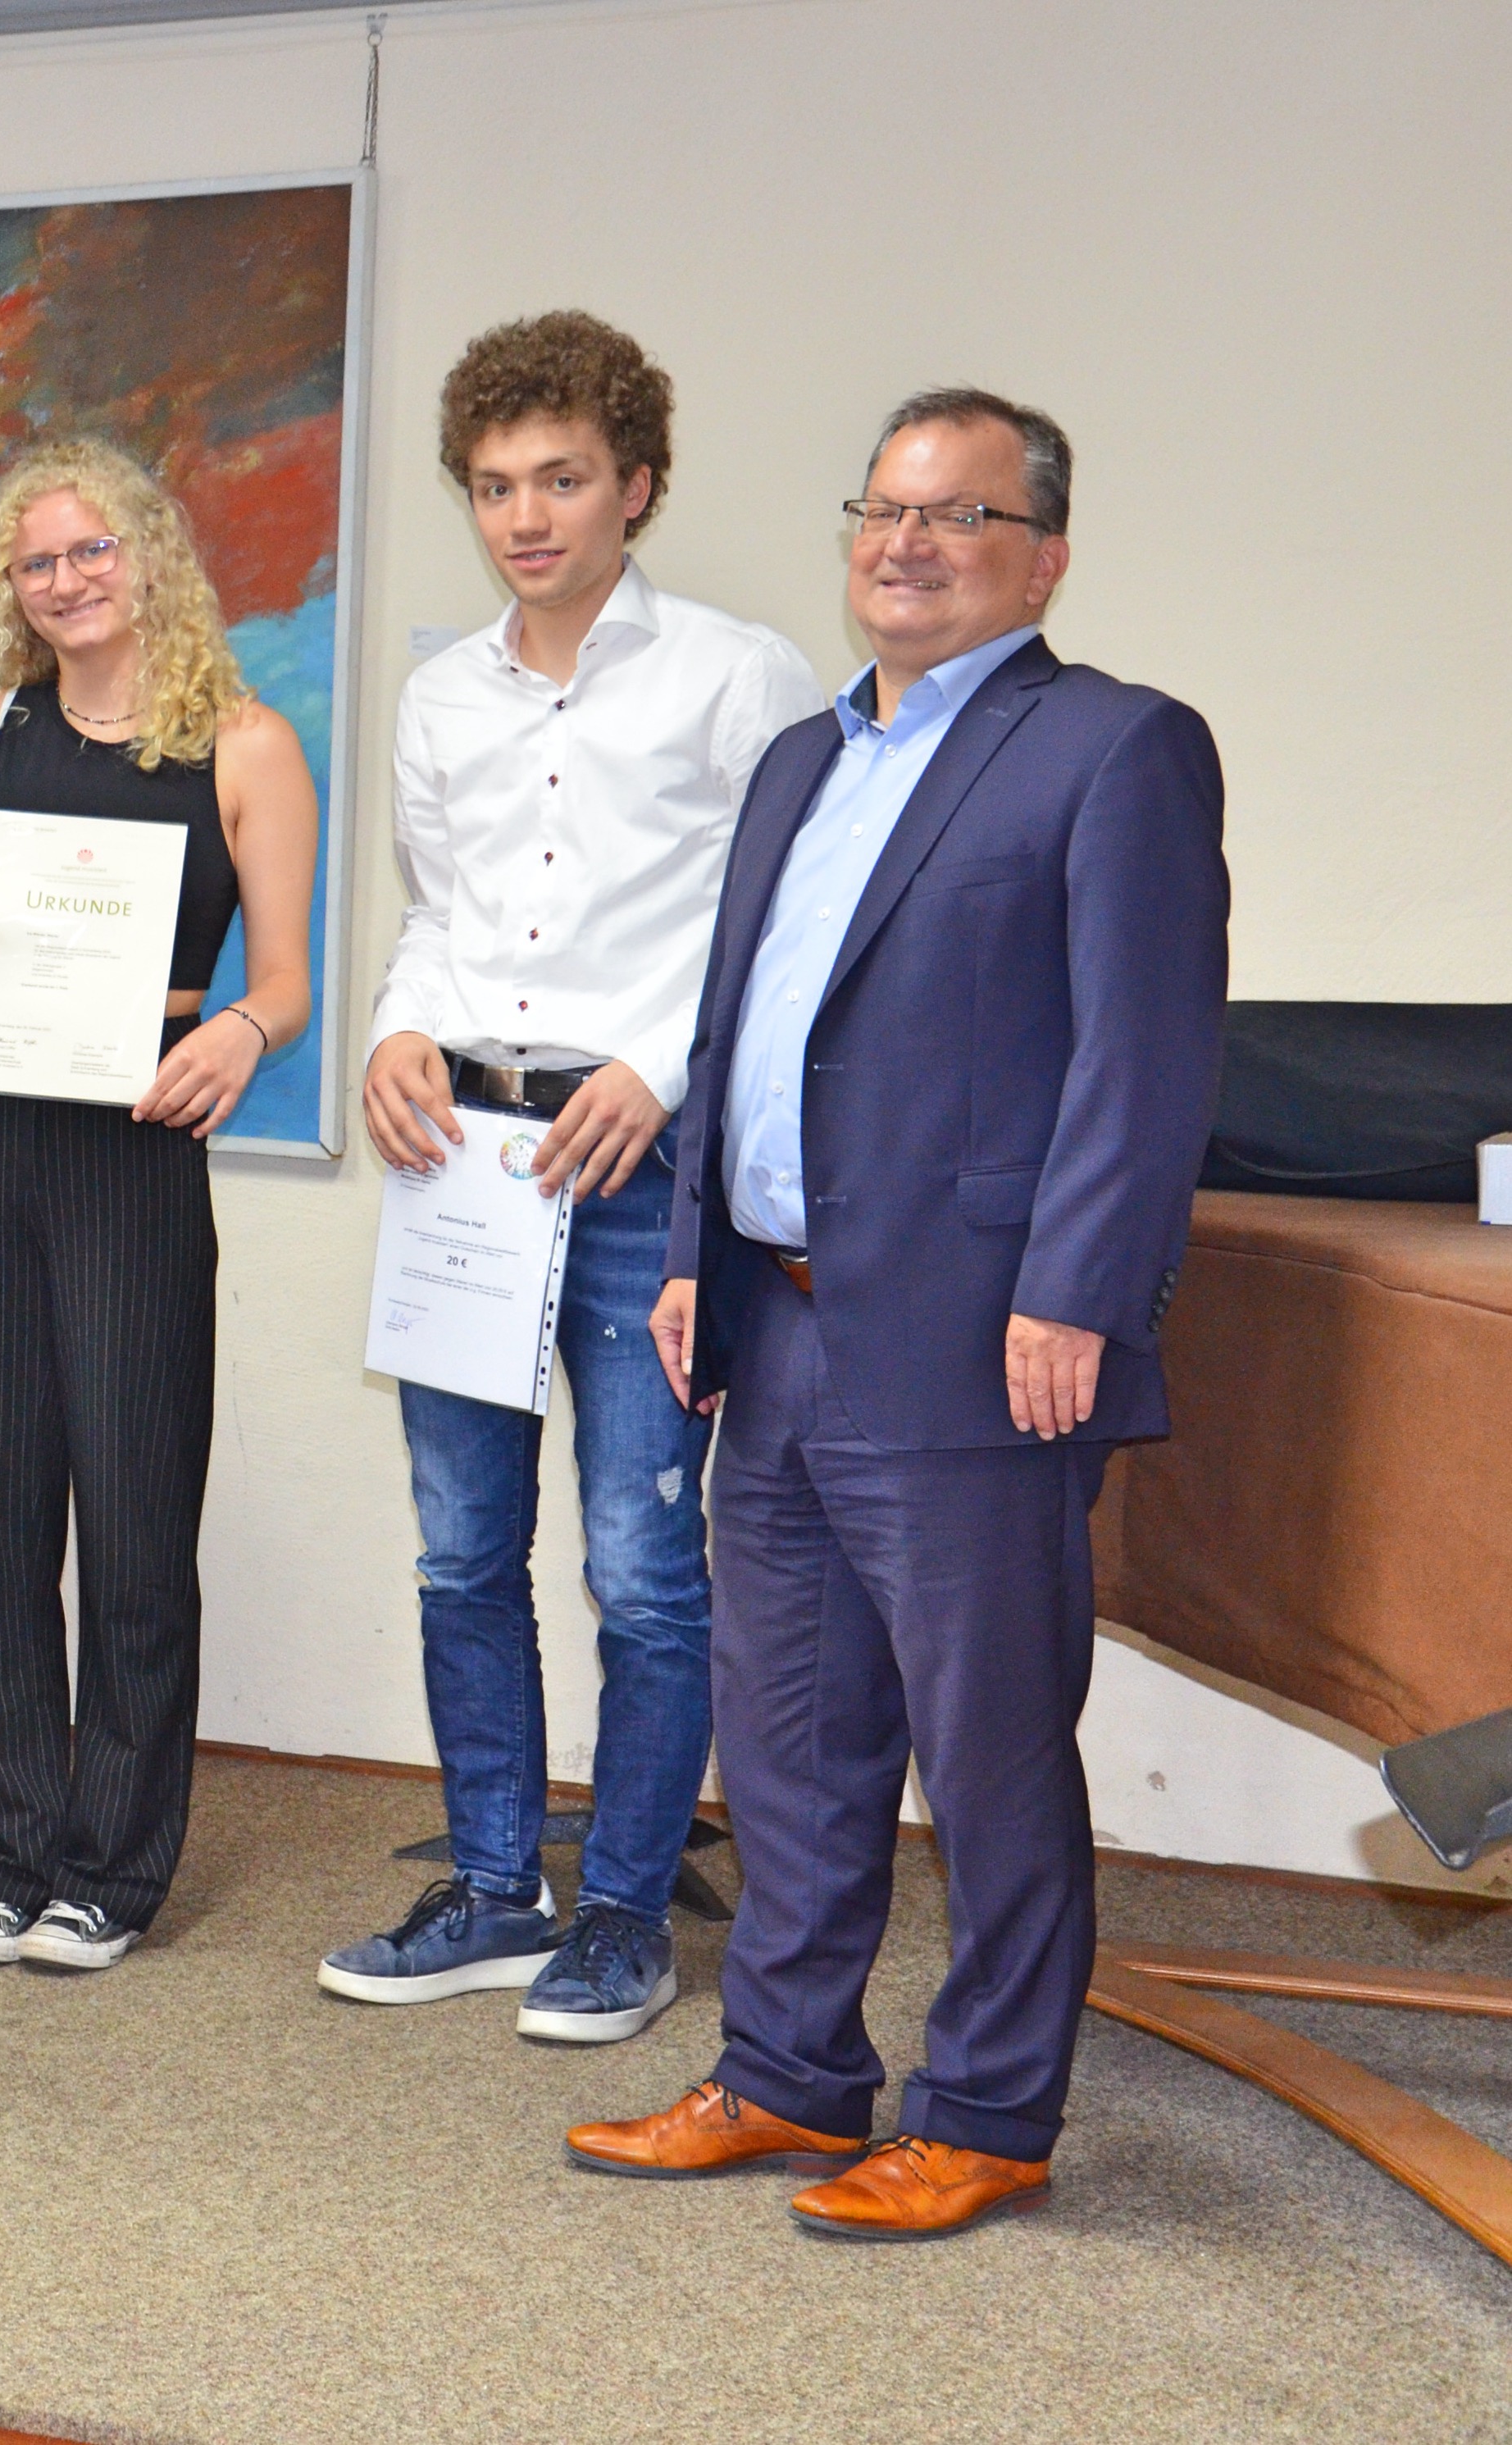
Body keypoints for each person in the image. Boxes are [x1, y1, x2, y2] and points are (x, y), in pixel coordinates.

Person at [566, 391, 1227, 2238]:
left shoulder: (1114, 747)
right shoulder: (801, 757)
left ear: (1045, 557)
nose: (907, 543)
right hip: (772, 1322)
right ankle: (786, 2070)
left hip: (978, 1339)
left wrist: (1077, 1288)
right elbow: (734, 1031)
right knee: (787, 1734)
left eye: (957, 515)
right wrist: (691, 1248)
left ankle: (991, 2110)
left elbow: (1145, 1054)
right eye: (882, 509)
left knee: (987, 1747)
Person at [320, 317, 822, 2043]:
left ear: (636, 486)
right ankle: (487, 1886)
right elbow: (440, 914)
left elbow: (780, 925)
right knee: (461, 1552)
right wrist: (395, 1030)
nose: (524, 518)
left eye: (560, 480)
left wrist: (659, 1069)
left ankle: (620, 1913)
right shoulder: (441, 694)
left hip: (638, 1161)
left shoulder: (739, 675)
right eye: (492, 487)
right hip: (461, 1154)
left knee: (640, 1561)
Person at [0, 436, 315, 1974]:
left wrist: (239, 1033)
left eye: (91, 550)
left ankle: (112, 1868)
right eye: (36, 562)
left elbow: (285, 982)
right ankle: (2, 1852)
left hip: (135, 1136)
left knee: (133, 1517)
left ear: (150, 554)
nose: (65, 581)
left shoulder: (244, 744)